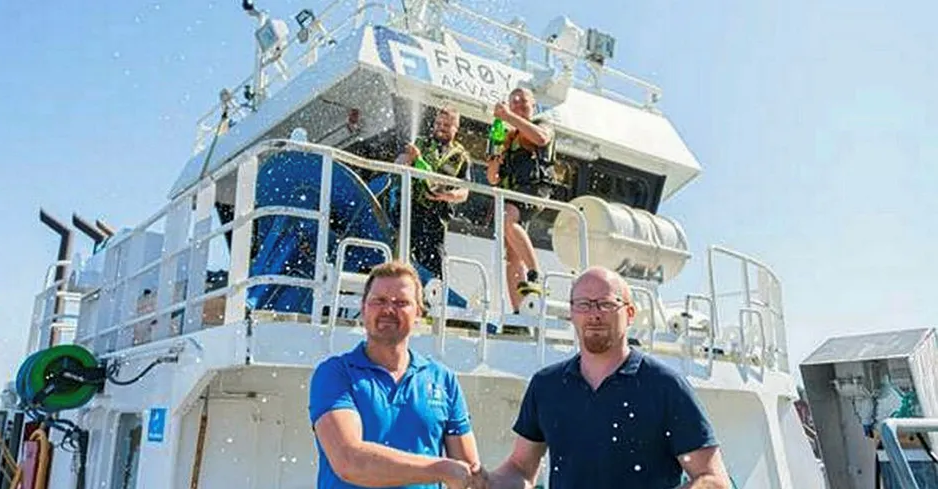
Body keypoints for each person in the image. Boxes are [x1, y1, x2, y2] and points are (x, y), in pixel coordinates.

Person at [481, 266, 731, 489]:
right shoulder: (546, 386)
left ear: (630, 313)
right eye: (584, 304)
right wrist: (485, 482)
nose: (594, 314)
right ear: (571, 312)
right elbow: (521, 468)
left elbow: (713, 479)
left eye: (606, 304)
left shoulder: (665, 386)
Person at [308, 261, 482, 489]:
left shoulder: (443, 380)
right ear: (363, 307)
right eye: (379, 301)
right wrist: (440, 469)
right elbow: (349, 461)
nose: (388, 310)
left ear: (419, 312)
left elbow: (469, 474)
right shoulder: (336, 374)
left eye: (401, 303)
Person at [485, 87, 554, 314]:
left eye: (522, 101)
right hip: (512, 194)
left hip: (533, 191)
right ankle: (519, 312)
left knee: (506, 218)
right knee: (512, 256)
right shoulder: (507, 138)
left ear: (533, 104)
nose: (517, 104)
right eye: (513, 101)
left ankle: (535, 274)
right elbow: (493, 178)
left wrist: (507, 116)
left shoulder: (543, 123)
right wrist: (494, 158)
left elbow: (541, 138)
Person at [392, 106, 472, 280]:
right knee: (399, 256)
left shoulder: (462, 157)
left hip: (435, 217)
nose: (441, 127)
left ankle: (431, 297)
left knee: (434, 264)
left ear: (456, 128)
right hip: (409, 209)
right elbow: (398, 164)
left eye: (447, 125)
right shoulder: (418, 143)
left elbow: (465, 192)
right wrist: (406, 160)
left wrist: (447, 196)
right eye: (438, 123)